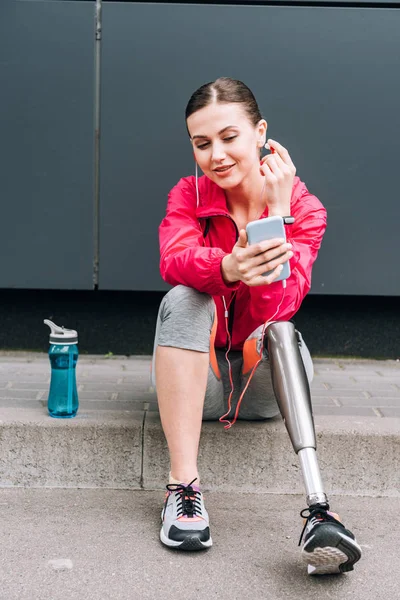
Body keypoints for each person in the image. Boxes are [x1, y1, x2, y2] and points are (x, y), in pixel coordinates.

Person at [151, 77, 361, 575]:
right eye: (202, 144)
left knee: (283, 331)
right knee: (183, 296)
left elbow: (281, 307)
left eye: (229, 137)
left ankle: (320, 511)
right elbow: (174, 260)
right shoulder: (188, 194)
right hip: (200, 385)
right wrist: (228, 268)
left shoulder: (306, 209)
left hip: (263, 387)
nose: (216, 155)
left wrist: (279, 214)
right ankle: (185, 491)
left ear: (260, 132)